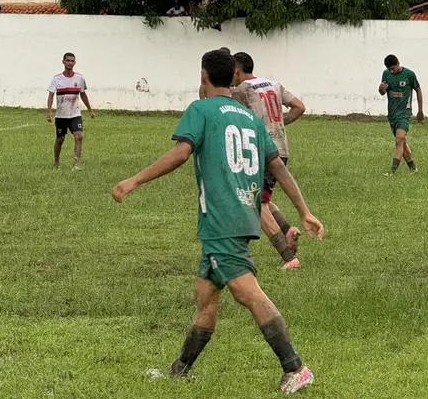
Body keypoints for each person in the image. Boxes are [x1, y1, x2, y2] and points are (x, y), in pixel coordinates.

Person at [111, 49, 324, 394]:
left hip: (222, 219)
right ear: (234, 78)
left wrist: (133, 181)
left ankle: (296, 368)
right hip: (241, 213)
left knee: (248, 293)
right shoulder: (248, 115)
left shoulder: (201, 110)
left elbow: (181, 152)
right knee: (206, 297)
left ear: (203, 75)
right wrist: (303, 211)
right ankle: (180, 370)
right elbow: (278, 166)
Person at [231, 51, 307, 270]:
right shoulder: (274, 84)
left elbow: (212, 97)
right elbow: (299, 107)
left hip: (260, 151)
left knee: (255, 204)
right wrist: (278, 123)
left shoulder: (242, 89)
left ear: (236, 70)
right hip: (280, 148)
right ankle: (287, 230)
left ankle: (288, 257)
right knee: (260, 198)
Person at [47, 52, 94, 170]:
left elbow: (83, 94)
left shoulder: (79, 78)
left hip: (75, 114)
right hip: (61, 115)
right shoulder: (57, 79)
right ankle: (56, 163)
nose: (70, 63)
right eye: (67, 60)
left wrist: (90, 110)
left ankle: (76, 164)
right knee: (60, 139)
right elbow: (51, 95)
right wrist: (49, 111)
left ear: (75, 63)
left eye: (72, 61)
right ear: (63, 62)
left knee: (79, 136)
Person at [378, 54, 423, 174]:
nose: (391, 71)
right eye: (389, 69)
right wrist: (381, 88)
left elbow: (418, 89)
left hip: (404, 113)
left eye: (393, 68)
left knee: (399, 140)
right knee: (402, 144)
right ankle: (413, 169)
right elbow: (382, 92)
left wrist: (420, 110)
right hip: (392, 114)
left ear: (398, 63)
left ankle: (392, 172)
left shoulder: (409, 75)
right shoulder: (386, 74)